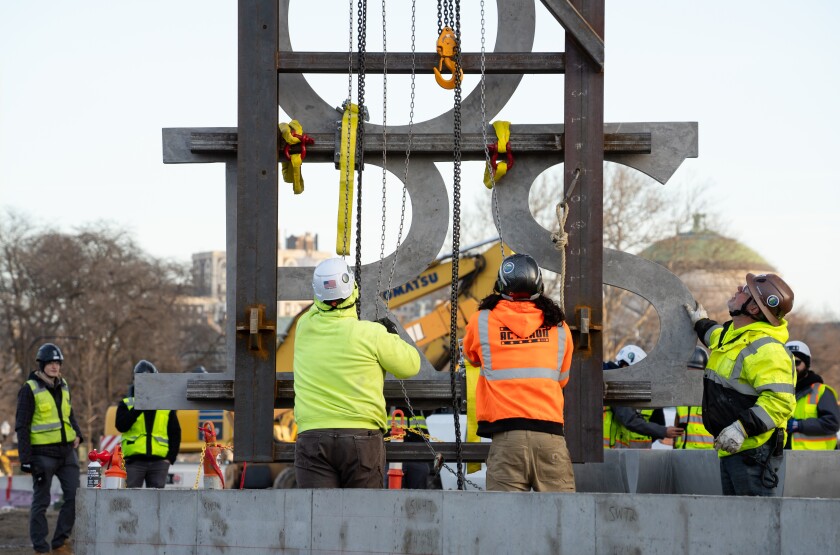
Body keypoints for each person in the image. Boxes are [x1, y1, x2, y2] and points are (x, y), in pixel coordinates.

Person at [293, 258, 421, 488]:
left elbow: (320, 307)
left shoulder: (304, 328)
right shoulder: (372, 334)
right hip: (361, 437)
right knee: (362, 518)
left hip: (313, 436)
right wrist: (391, 335)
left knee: (317, 519)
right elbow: (411, 366)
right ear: (353, 289)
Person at [462, 253, 575, 492]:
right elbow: (562, 379)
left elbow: (471, 358)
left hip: (507, 439)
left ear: (500, 285)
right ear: (539, 285)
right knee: (562, 521)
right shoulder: (559, 326)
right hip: (550, 437)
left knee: (503, 523)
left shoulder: (481, 321)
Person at [685, 273, 797, 496]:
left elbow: (781, 401)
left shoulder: (767, 349)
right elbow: (715, 336)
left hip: (753, 453)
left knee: (753, 524)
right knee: (737, 523)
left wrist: (741, 428)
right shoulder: (735, 337)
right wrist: (700, 322)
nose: (739, 288)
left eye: (746, 291)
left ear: (754, 309)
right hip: (736, 450)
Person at [14, 343, 82, 555]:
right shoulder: (29, 389)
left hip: (66, 453)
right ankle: (41, 548)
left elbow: (68, 414)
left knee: (75, 496)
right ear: (42, 364)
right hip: (42, 455)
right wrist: (25, 458)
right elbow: (21, 425)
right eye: (51, 363)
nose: (54, 366)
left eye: (57, 362)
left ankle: (60, 542)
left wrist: (78, 433)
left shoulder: (64, 384)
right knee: (41, 502)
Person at [602, 345, 685, 449]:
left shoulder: (605, 377)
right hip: (603, 454)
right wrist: (664, 431)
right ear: (626, 366)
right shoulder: (613, 383)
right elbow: (629, 419)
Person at [115, 360, 181, 488]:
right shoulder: (127, 403)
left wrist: (170, 458)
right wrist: (138, 407)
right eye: (141, 380)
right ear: (135, 381)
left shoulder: (165, 406)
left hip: (159, 463)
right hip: (134, 462)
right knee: (132, 501)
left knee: (157, 504)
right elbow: (121, 426)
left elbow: (175, 433)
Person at [784, 340, 839, 450]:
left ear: (806, 364)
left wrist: (799, 425)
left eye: (797, 362)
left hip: (816, 459)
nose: (792, 367)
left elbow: (832, 423)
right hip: (783, 458)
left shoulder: (822, 391)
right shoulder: (778, 391)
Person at [673, 346, 715, 450]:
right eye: (688, 371)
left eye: (695, 372)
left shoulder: (712, 397)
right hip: (681, 455)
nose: (691, 376)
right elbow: (676, 427)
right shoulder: (680, 397)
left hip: (706, 458)